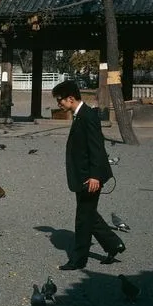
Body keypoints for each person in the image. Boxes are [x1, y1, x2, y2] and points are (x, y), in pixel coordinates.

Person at [52, 80, 125, 270]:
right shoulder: (80, 115)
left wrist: (95, 176)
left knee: (83, 218)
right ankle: (114, 244)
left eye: (60, 100)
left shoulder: (88, 115)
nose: (58, 104)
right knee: (88, 214)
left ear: (70, 98)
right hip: (83, 175)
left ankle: (78, 259)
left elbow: (97, 148)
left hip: (89, 177)